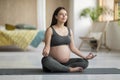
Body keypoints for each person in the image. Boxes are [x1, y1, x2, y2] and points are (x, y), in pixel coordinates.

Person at [41, 7, 96, 72]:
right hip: (53, 60)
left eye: (66, 14)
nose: (64, 16)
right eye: (61, 14)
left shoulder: (69, 30)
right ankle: (69, 69)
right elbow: (47, 46)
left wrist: (85, 56)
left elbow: (73, 48)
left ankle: (59, 68)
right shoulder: (50, 30)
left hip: (66, 63)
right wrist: (46, 50)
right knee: (46, 60)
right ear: (56, 16)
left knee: (84, 62)